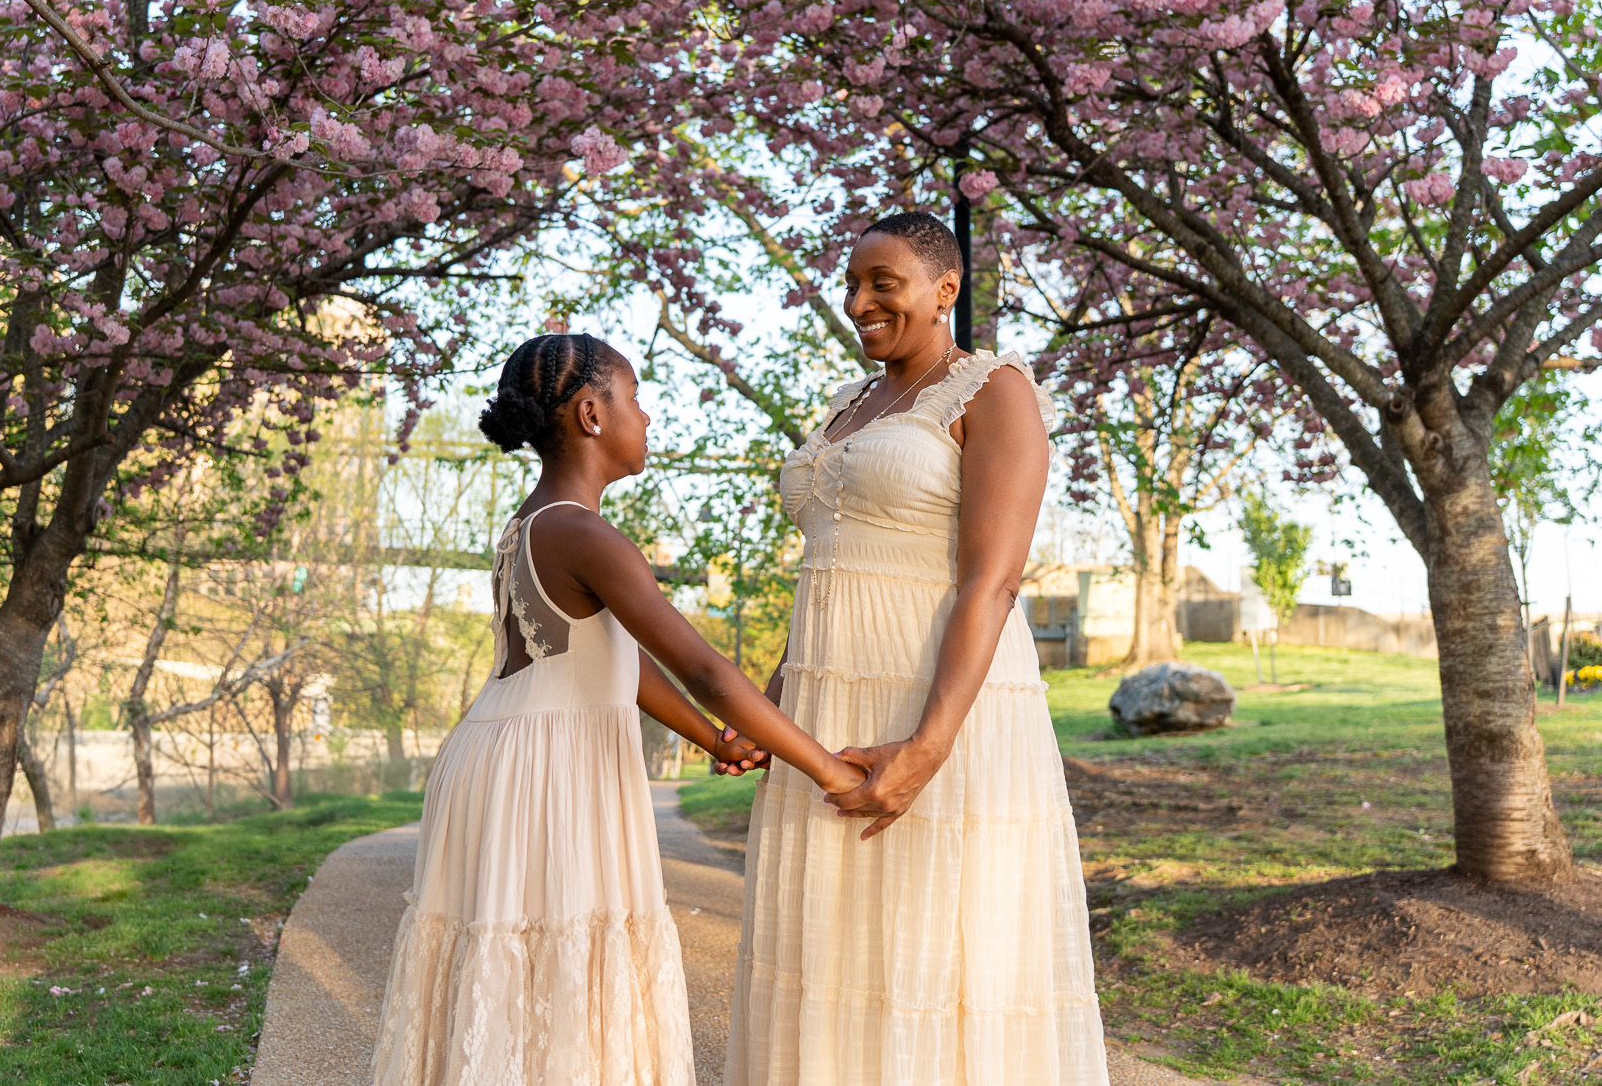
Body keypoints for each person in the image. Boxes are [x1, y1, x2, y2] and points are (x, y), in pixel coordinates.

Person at [371, 332, 867, 1086]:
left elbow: (613, 662)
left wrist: (714, 740)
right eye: (636, 398)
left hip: (501, 755)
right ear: (592, 414)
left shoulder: (530, 523)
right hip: (548, 772)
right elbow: (705, 669)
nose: (647, 415)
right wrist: (827, 768)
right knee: (561, 971)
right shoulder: (584, 533)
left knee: (523, 977)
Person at [725, 212, 1109, 1086]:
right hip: (826, 713)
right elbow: (831, 572)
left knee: (937, 948)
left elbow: (992, 581)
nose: (858, 302)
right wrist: (775, 707)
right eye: (851, 285)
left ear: (945, 290)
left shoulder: (993, 389)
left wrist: (929, 745)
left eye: (882, 283)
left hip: (941, 707)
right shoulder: (850, 405)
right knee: (827, 945)